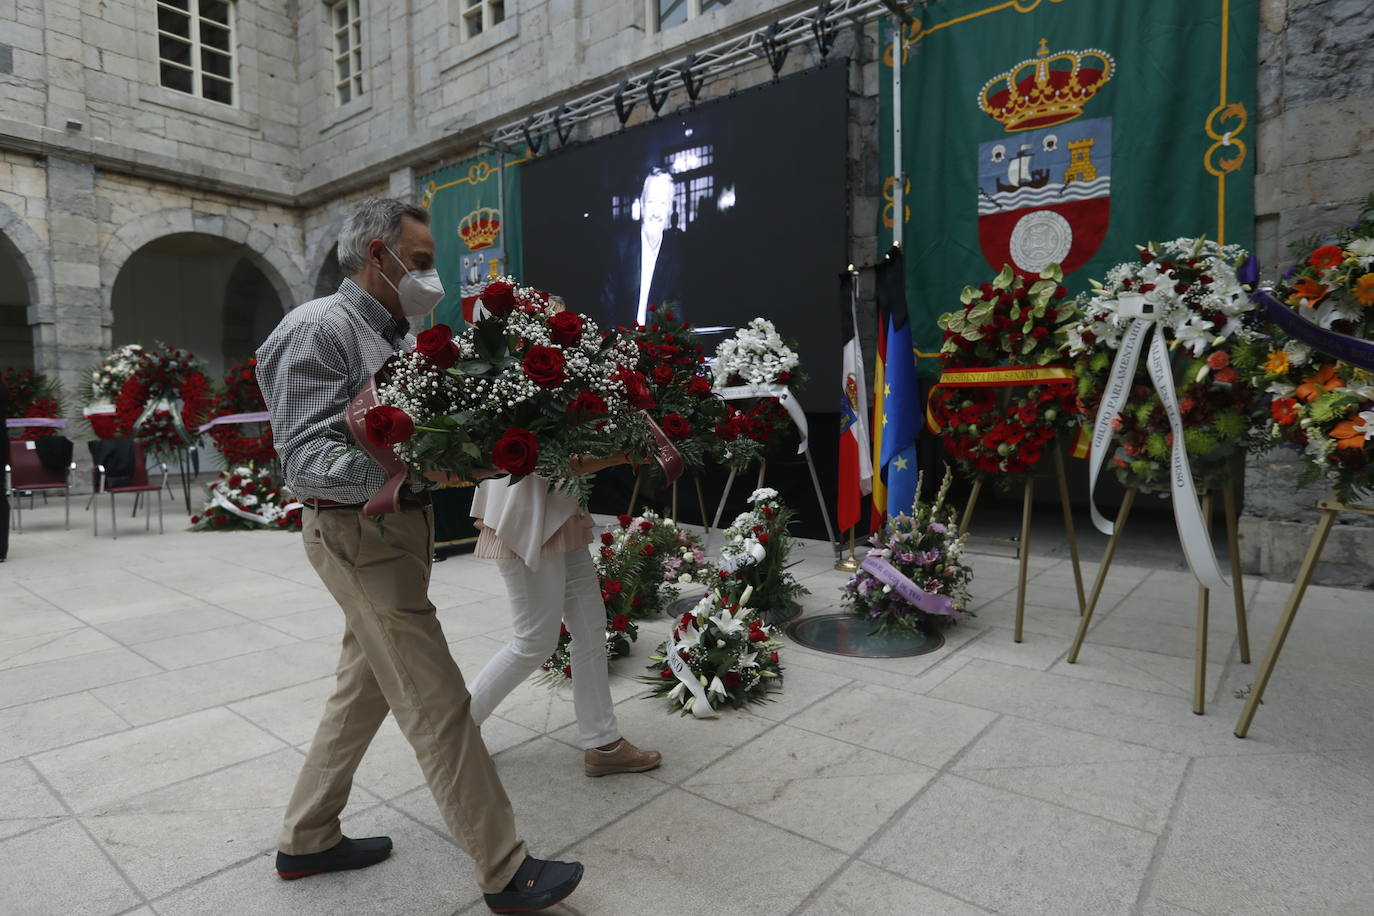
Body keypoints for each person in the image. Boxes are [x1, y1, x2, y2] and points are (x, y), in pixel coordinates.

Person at [256, 197, 582, 913]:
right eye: (423, 262)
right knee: (435, 700)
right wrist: (417, 472)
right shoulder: (316, 329)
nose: (430, 277)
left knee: (364, 685)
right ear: (379, 255)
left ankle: (307, 837)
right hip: (357, 539)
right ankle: (505, 869)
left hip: (392, 535)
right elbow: (305, 461)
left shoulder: (394, 336)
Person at [466, 416, 662, 777]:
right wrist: (621, 455)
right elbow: (548, 460)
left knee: (590, 629)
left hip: (556, 506)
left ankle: (604, 743)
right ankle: (456, 732)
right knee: (534, 641)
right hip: (524, 510)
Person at [601, 168, 685, 328]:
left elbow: (677, 313)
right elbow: (607, 306)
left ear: (669, 209)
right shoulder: (619, 247)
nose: (656, 212)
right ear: (641, 204)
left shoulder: (675, 254)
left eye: (663, 203)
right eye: (651, 201)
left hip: (658, 346)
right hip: (621, 341)